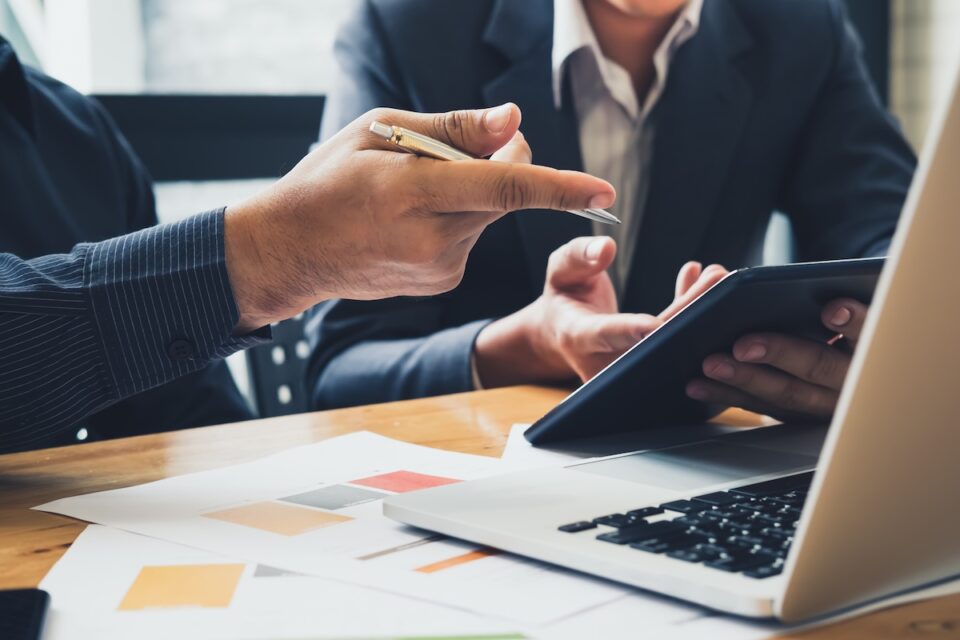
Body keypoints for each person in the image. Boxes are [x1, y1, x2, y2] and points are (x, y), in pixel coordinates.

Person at [0, 35, 615, 453]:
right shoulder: (416, 27)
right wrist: (265, 256)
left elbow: (187, 419)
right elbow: (341, 364)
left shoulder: (74, 131)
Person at [307, 0, 916, 421]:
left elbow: (897, 246)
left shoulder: (802, 28)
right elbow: (338, 369)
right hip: (472, 481)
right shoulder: (409, 26)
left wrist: (872, 337)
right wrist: (526, 347)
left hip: (706, 462)